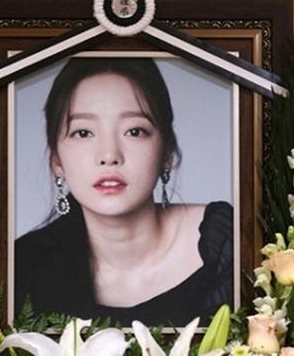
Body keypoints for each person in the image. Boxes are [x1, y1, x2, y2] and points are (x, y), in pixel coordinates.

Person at [15, 57, 233, 326]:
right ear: (56, 160)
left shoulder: (224, 242)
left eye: (134, 131)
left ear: (167, 153)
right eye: (83, 133)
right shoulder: (23, 267)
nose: (109, 155)